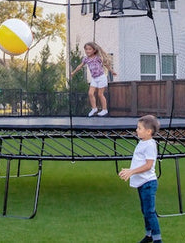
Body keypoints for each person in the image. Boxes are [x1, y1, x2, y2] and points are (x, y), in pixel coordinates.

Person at [119, 115, 162, 243]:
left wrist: (131, 171)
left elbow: (149, 165)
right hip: (142, 183)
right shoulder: (143, 142)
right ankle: (149, 235)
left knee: (150, 212)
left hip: (148, 183)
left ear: (148, 131)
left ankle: (158, 240)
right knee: (145, 211)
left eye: (139, 128)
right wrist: (129, 171)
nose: (136, 130)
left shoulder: (149, 145)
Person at [70, 41, 118, 116]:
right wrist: (73, 72)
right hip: (94, 78)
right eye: (86, 49)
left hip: (101, 77)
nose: (87, 51)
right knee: (90, 93)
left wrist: (112, 71)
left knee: (100, 94)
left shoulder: (98, 58)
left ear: (94, 50)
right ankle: (94, 108)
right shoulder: (86, 59)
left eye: (89, 49)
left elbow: (106, 65)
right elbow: (80, 66)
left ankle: (104, 109)